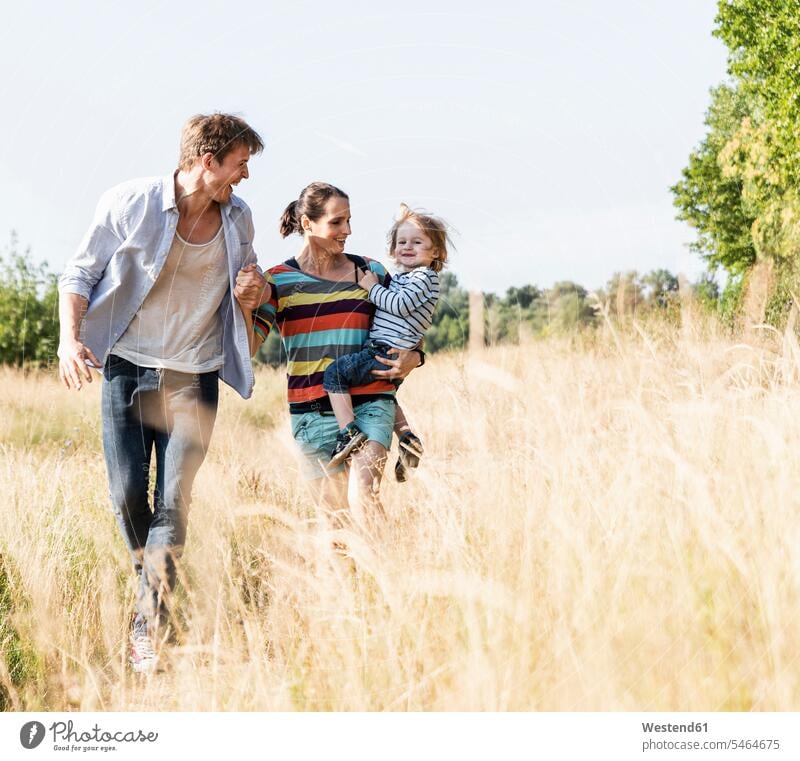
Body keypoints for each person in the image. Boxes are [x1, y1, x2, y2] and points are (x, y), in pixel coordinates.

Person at [57, 113, 266, 674]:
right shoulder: (130, 203)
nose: (244, 177)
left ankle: (148, 621)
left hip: (193, 376)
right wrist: (68, 341)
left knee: (175, 500)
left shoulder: (239, 219)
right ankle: (151, 577)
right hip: (128, 368)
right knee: (127, 492)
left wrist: (254, 290)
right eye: (240, 164)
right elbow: (78, 275)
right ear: (207, 161)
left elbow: (250, 286)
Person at [244, 182, 423, 528]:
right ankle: (349, 584)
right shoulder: (277, 281)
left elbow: (405, 330)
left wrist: (415, 357)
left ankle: (396, 576)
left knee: (364, 497)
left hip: (369, 406)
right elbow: (250, 346)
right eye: (337, 222)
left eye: (349, 221)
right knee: (334, 526)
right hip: (309, 416)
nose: (348, 231)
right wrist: (244, 304)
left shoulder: (371, 274)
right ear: (307, 224)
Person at [323, 204, 449, 481]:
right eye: (401, 241)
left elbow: (399, 305)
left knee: (335, 374)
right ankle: (407, 438)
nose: (407, 247)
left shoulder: (425, 277)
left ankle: (349, 433)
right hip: (389, 352)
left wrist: (371, 287)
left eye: (417, 242)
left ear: (435, 252)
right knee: (383, 394)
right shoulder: (407, 276)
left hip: (385, 351)